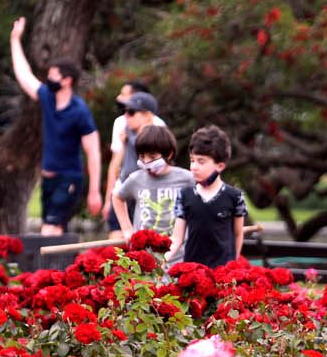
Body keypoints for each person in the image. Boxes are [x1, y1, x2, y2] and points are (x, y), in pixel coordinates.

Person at [9, 17, 103, 235]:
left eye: (53, 75)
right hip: (48, 179)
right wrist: (15, 40)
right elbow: (24, 75)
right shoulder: (47, 98)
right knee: (57, 231)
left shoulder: (79, 111)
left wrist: (95, 191)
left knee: (50, 230)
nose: (49, 79)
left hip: (69, 178)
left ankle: (47, 269)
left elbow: (93, 151)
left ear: (67, 80)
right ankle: (64, 268)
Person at [166, 125, 247, 268]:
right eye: (192, 160)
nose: (193, 167)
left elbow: (238, 234)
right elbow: (177, 238)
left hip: (222, 275)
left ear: (220, 166)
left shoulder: (235, 197)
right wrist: (162, 259)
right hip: (193, 273)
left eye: (201, 161)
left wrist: (233, 267)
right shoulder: (184, 195)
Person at [112, 125, 195, 257]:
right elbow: (117, 197)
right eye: (142, 156)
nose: (146, 162)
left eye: (152, 156)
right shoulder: (136, 179)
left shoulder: (187, 178)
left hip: (178, 255)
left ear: (169, 154)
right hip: (144, 256)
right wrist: (127, 229)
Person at [103, 82, 166, 238]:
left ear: (147, 115)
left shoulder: (158, 132)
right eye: (125, 111)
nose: (126, 116)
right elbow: (116, 165)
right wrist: (108, 199)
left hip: (147, 193)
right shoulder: (123, 128)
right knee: (116, 242)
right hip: (125, 188)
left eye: (131, 112)